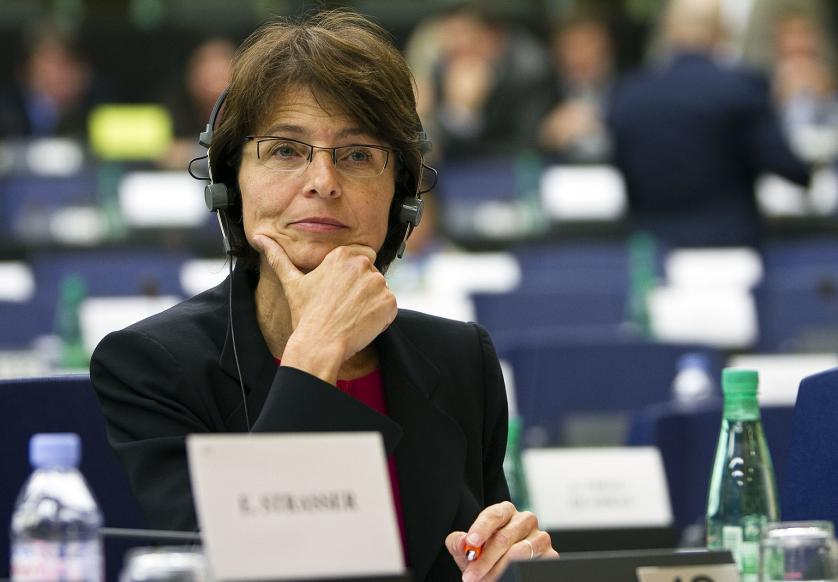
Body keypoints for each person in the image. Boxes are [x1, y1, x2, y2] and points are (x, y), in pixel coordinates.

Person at [89, 10, 557, 582]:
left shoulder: (460, 360)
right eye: (286, 150)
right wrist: (315, 354)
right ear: (230, 183)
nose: (323, 182)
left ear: (401, 197)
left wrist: (515, 569)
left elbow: (475, 557)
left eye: (358, 155)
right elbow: (219, 567)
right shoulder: (150, 366)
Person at [607, 0, 811, 248]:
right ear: (720, 32)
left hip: (652, 247)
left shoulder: (630, 94)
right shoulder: (741, 88)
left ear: (668, 32)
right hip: (730, 247)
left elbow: (621, 167)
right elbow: (788, 167)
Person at [537, 12, 615, 163]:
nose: (580, 54)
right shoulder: (540, 93)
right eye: (572, 46)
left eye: (588, 44)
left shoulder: (628, 92)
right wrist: (545, 137)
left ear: (606, 50)